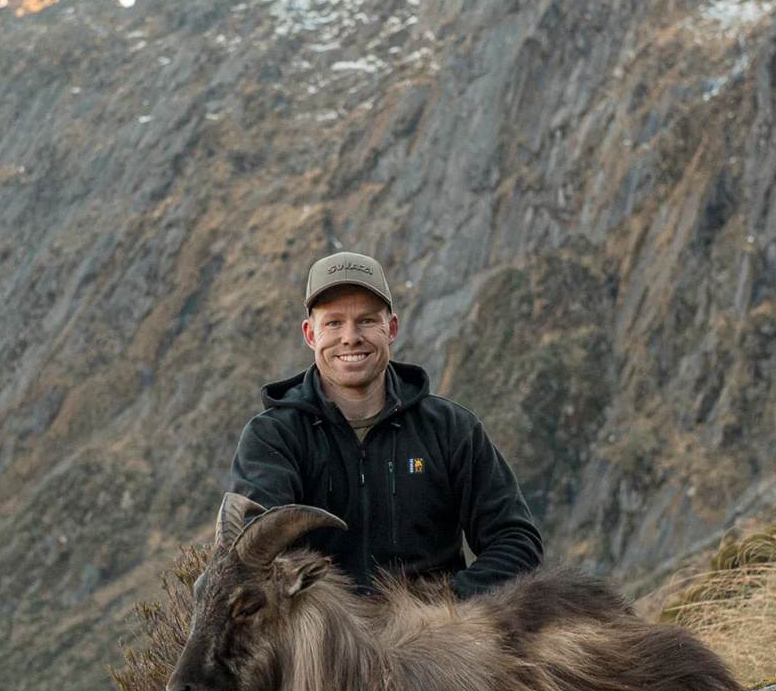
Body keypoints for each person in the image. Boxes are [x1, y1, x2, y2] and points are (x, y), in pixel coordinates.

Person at [228, 251, 543, 597]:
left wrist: (443, 603)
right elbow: (257, 556)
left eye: (366, 320)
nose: (350, 337)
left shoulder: (451, 429)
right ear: (310, 334)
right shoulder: (274, 437)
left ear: (390, 328)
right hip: (323, 641)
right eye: (333, 323)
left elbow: (516, 542)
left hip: (437, 638)